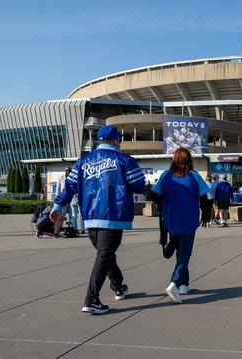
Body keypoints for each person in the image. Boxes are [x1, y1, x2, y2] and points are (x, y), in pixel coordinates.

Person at [50, 125, 145, 314]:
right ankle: (91, 299)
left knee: (106, 254)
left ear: (99, 141)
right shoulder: (124, 160)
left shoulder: (83, 161)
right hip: (113, 215)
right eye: (119, 140)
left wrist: (58, 205)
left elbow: (70, 186)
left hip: (90, 216)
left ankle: (118, 286)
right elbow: (139, 185)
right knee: (105, 255)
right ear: (116, 141)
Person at [152, 148, 211, 304]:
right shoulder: (194, 176)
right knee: (185, 254)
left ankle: (184, 285)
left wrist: (166, 201)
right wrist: (206, 216)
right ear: (189, 160)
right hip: (189, 220)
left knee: (179, 250)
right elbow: (204, 199)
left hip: (170, 219)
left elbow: (153, 195)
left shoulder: (165, 176)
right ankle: (175, 282)